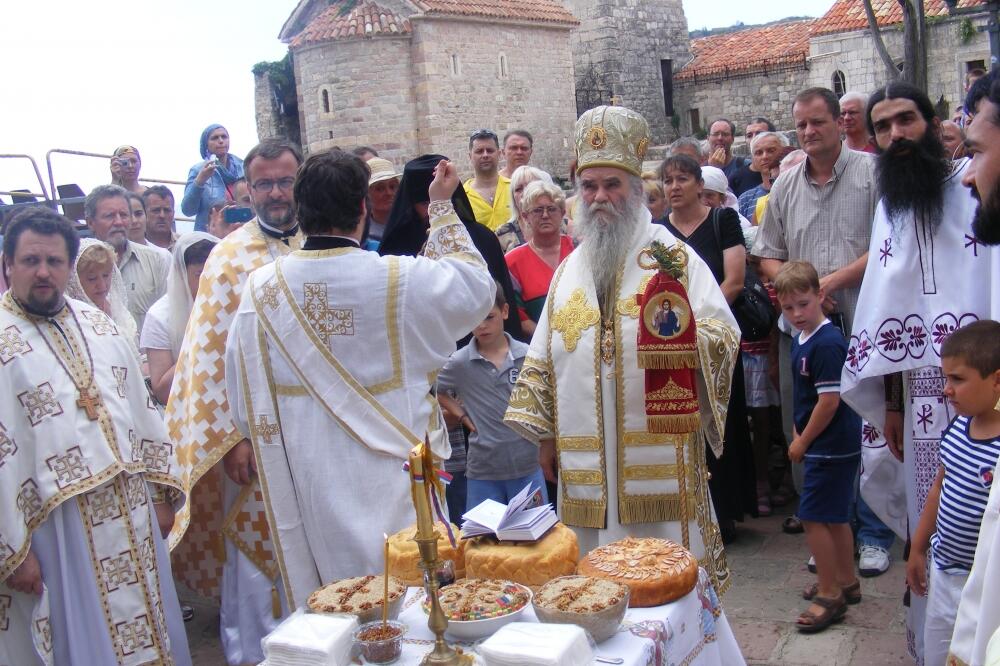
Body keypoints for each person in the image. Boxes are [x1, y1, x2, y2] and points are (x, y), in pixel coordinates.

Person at [225, 150, 494, 606]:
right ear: (363, 208)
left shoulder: (261, 290)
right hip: (395, 475)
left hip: (311, 478)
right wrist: (441, 207)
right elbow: (475, 289)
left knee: (338, 602)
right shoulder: (398, 277)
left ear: (300, 209)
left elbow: (244, 402)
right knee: (409, 599)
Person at [503, 105, 741, 593]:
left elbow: (724, 332)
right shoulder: (569, 270)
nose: (599, 197)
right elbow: (543, 356)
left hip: (659, 449)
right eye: (589, 186)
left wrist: (682, 342)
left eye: (612, 184)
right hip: (584, 457)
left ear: (635, 189)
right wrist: (545, 436)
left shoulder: (673, 259)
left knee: (668, 572)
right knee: (593, 578)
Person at [839, 80, 998, 663]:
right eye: (883, 127)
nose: (895, 134)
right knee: (928, 512)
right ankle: (933, 645)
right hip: (919, 395)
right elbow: (886, 307)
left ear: (931, 122)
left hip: (986, 386)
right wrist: (891, 405)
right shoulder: (890, 207)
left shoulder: (976, 188)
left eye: (905, 120)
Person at [0, 206, 191, 666]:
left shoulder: (101, 326)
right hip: (52, 530)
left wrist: (160, 495)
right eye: (30, 261)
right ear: (8, 265)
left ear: (68, 266)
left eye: (54, 261)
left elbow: (142, 415)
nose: (43, 272)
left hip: (131, 511)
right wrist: (10, 552)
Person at [167, 139, 303, 666]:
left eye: (285, 181)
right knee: (254, 546)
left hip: (315, 429)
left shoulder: (321, 240)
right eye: (264, 183)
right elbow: (208, 355)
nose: (275, 192)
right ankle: (255, 653)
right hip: (254, 434)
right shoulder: (228, 257)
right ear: (248, 188)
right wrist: (233, 438)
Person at [751, 87, 894, 568]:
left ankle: (873, 534)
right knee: (813, 424)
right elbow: (767, 254)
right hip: (804, 332)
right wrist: (802, 291)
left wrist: (831, 282)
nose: (809, 132)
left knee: (868, 428)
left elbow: (890, 245)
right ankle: (833, 534)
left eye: (818, 122)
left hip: (863, 322)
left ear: (840, 122)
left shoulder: (873, 174)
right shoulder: (785, 186)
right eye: (802, 125)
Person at [661, 154, 755, 543]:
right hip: (670, 342)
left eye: (682, 178)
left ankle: (725, 511)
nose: (674, 187)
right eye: (668, 180)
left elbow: (734, 280)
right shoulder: (658, 231)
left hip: (714, 339)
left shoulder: (722, 220)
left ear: (700, 185)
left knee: (721, 419)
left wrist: (695, 325)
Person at [902, 321, 1000, 664]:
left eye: (957, 379)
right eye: (946, 378)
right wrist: (917, 548)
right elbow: (938, 489)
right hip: (944, 572)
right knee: (939, 652)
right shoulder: (958, 427)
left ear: (997, 380)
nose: (947, 390)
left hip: (985, 584)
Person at [774, 261, 862, 633]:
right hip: (828, 443)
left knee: (812, 516)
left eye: (804, 304)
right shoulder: (803, 338)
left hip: (830, 445)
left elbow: (829, 402)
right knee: (835, 516)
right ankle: (846, 580)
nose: (796, 313)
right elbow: (810, 396)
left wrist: (802, 440)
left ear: (820, 296)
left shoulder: (826, 343)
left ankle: (829, 593)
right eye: (788, 307)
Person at [380, 154, 525, 342]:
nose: (432, 209)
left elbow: (501, 300)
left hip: (478, 341)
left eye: (437, 200)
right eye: (424, 203)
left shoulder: (482, 238)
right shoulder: (398, 244)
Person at [438, 287, 546, 509]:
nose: (482, 325)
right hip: (483, 470)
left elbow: (545, 403)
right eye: (475, 319)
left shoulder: (527, 355)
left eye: (489, 317)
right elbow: (436, 389)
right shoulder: (460, 363)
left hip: (527, 466)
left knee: (534, 529)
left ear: (505, 311)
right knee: (483, 531)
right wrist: (460, 415)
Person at [140, 232, 218, 405]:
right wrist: (203, 339)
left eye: (215, 272)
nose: (210, 281)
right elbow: (162, 392)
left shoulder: (229, 305)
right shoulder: (159, 316)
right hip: (185, 409)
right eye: (200, 274)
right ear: (181, 274)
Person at [85, 184, 169, 333]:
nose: (118, 222)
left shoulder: (157, 260)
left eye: (123, 215)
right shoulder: (78, 269)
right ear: (90, 222)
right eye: (109, 216)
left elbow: (168, 318)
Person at [505, 180, 574, 337]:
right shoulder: (512, 262)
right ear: (525, 216)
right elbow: (520, 317)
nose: (545, 215)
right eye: (537, 210)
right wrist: (550, 341)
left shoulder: (578, 250)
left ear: (562, 213)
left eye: (551, 209)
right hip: (538, 344)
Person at [65, 238, 139, 355]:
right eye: (92, 278)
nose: (102, 285)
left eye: (106, 275)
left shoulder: (116, 306)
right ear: (75, 280)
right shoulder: (71, 318)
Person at [182, 124, 245, 232]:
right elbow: (188, 210)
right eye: (215, 138)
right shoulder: (198, 170)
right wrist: (200, 181)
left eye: (224, 137)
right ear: (206, 144)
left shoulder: (243, 167)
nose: (221, 141)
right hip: (211, 234)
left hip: (241, 231)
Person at [496, 165, 556, 253]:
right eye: (518, 189)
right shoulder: (501, 234)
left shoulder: (565, 226)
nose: (524, 193)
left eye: (530, 186)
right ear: (513, 197)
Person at [463, 129, 511, 231]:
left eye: (490, 150)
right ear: (470, 156)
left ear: (499, 154)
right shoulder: (462, 197)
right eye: (479, 151)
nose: (485, 155)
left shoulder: (514, 188)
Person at [738, 132, 790, 222]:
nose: (764, 157)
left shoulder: (797, 188)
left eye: (771, 151)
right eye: (758, 153)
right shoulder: (745, 199)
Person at [706, 118, 761, 196]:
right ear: (708, 138)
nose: (720, 138)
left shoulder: (747, 165)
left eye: (725, 134)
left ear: (732, 139)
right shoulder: (700, 171)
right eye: (715, 134)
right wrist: (713, 170)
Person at [363, 157, 399, 249]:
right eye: (380, 188)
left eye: (392, 186)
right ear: (367, 194)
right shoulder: (362, 234)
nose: (389, 193)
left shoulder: (411, 223)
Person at [142, 185, 178, 251]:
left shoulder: (183, 245)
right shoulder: (133, 245)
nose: (162, 215)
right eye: (156, 210)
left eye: (167, 210)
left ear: (173, 214)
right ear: (144, 213)